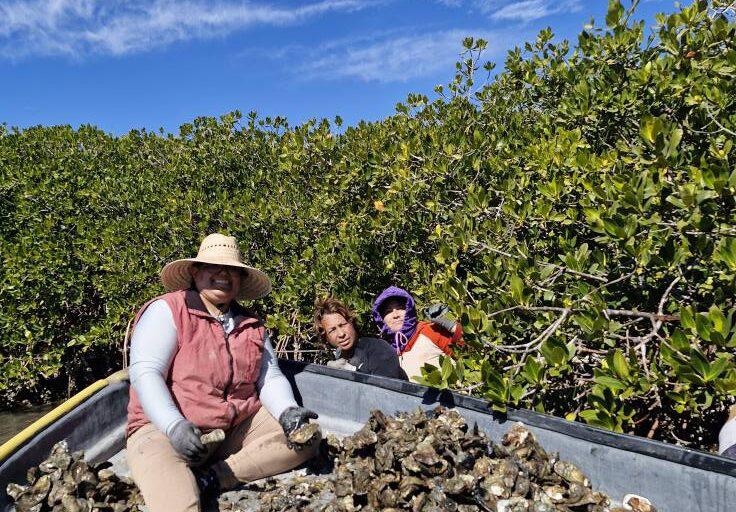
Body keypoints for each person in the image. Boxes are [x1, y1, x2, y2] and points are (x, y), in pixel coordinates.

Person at [126, 233, 319, 512]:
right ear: (196, 272)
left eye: (232, 270)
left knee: (307, 437)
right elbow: (146, 373)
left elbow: (270, 377)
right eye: (213, 267)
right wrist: (174, 425)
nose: (223, 275)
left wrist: (287, 410)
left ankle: (214, 478)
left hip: (233, 428)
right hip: (163, 431)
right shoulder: (168, 310)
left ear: (240, 279)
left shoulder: (251, 324)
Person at [372, 286, 463, 381]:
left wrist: (453, 327)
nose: (395, 315)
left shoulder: (430, 331)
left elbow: (466, 353)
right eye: (388, 311)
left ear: (409, 309)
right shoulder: (386, 351)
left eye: (400, 308)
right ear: (381, 319)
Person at [314, 296, 407, 380]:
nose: (341, 334)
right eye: (332, 330)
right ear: (326, 337)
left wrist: (350, 371)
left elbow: (384, 389)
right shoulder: (339, 356)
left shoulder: (378, 349)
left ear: (352, 323)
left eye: (343, 325)